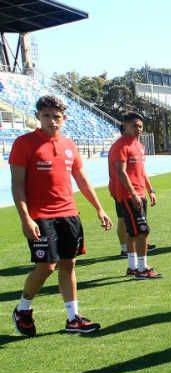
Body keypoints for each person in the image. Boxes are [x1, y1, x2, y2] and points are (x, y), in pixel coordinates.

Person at [10, 95, 113, 337]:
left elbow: (82, 179)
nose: (52, 121)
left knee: (69, 264)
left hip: (68, 213)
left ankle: (72, 318)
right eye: (46, 116)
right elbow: (17, 184)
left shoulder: (69, 144)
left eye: (56, 117)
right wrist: (26, 218)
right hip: (40, 216)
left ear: (64, 118)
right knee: (46, 266)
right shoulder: (24, 143)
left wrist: (99, 208)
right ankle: (22, 309)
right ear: (38, 116)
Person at [108, 111, 161, 279]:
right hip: (128, 195)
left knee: (132, 233)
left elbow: (141, 171)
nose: (138, 129)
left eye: (140, 126)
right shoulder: (121, 146)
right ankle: (142, 268)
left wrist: (150, 190)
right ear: (125, 126)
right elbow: (121, 172)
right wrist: (133, 194)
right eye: (134, 126)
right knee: (142, 232)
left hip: (139, 193)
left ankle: (132, 267)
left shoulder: (139, 146)